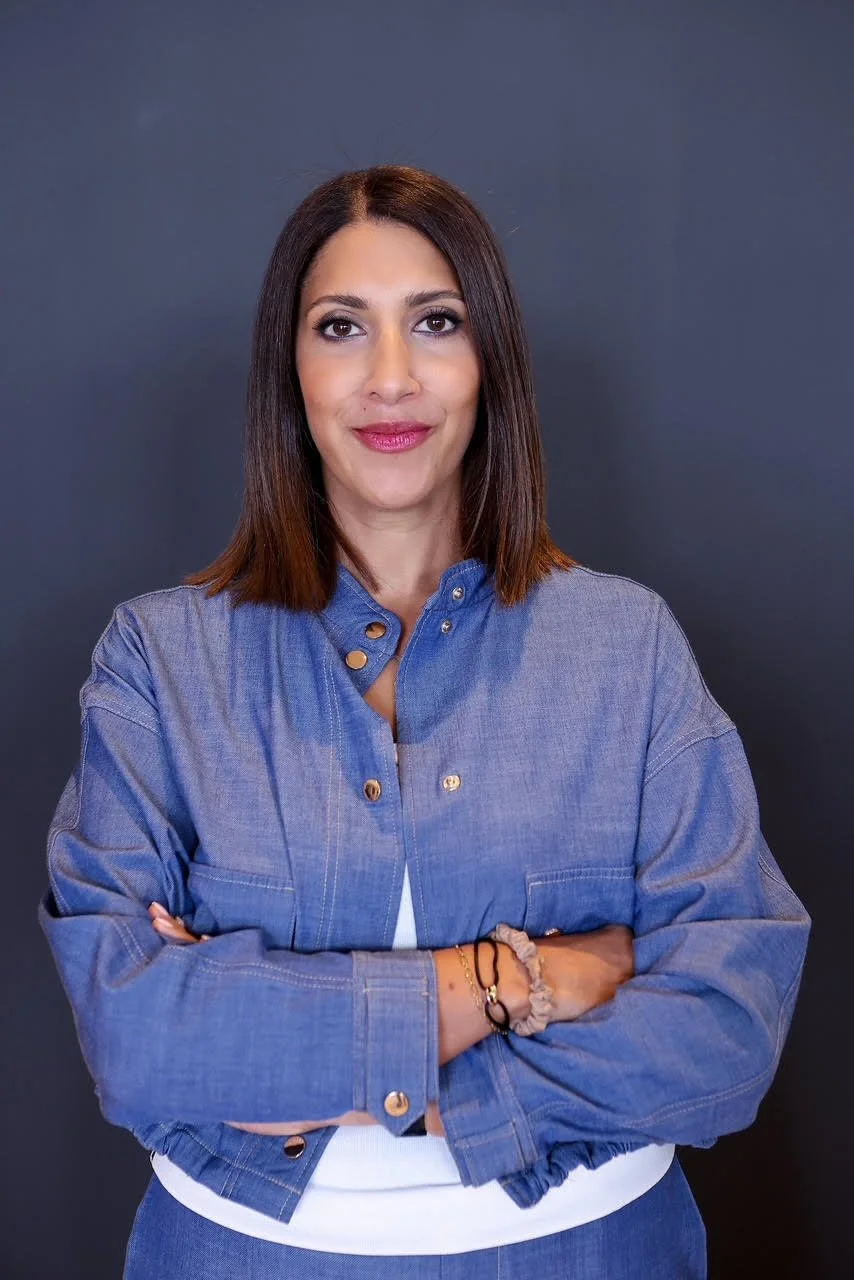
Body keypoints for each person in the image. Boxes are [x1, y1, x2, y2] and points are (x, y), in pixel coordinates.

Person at [40, 164, 810, 1279]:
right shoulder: (162, 659)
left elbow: (725, 1031)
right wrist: (518, 980)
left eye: (434, 323)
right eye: (341, 326)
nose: (388, 378)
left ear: (486, 359)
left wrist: (313, 1055)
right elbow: (139, 1039)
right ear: (288, 369)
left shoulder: (624, 644)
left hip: (590, 1250)